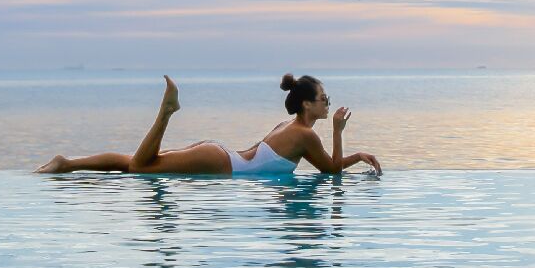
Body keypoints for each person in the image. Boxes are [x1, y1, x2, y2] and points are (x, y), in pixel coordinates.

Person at [36, 73, 383, 176]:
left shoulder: (290, 128)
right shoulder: (305, 135)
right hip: (222, 163)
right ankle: (167, 112)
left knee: (134, 163)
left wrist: (357, 155)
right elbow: (331, 173)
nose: (329, 104)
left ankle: (65, 164)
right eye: (325, 99)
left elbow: (329, 167)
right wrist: (339, 134)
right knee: (142, 168)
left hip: (220, 157)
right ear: (308, 104)